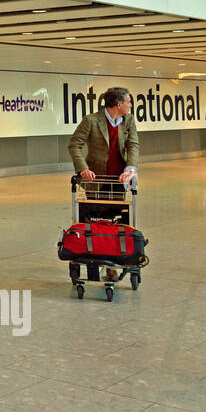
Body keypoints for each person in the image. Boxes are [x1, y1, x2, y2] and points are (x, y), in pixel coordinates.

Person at [68, 86, 139, 282]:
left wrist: (130, 168)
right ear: (118, 104)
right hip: (95, 181)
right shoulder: (91, 121)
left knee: (118, 221)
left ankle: (113, 263)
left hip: (118, 180)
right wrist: (82, 168)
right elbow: (75, 144)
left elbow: (133, 144)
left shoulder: (129, 120)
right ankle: (92, 257)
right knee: (94, 220)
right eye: (128, 102)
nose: (130, 105)